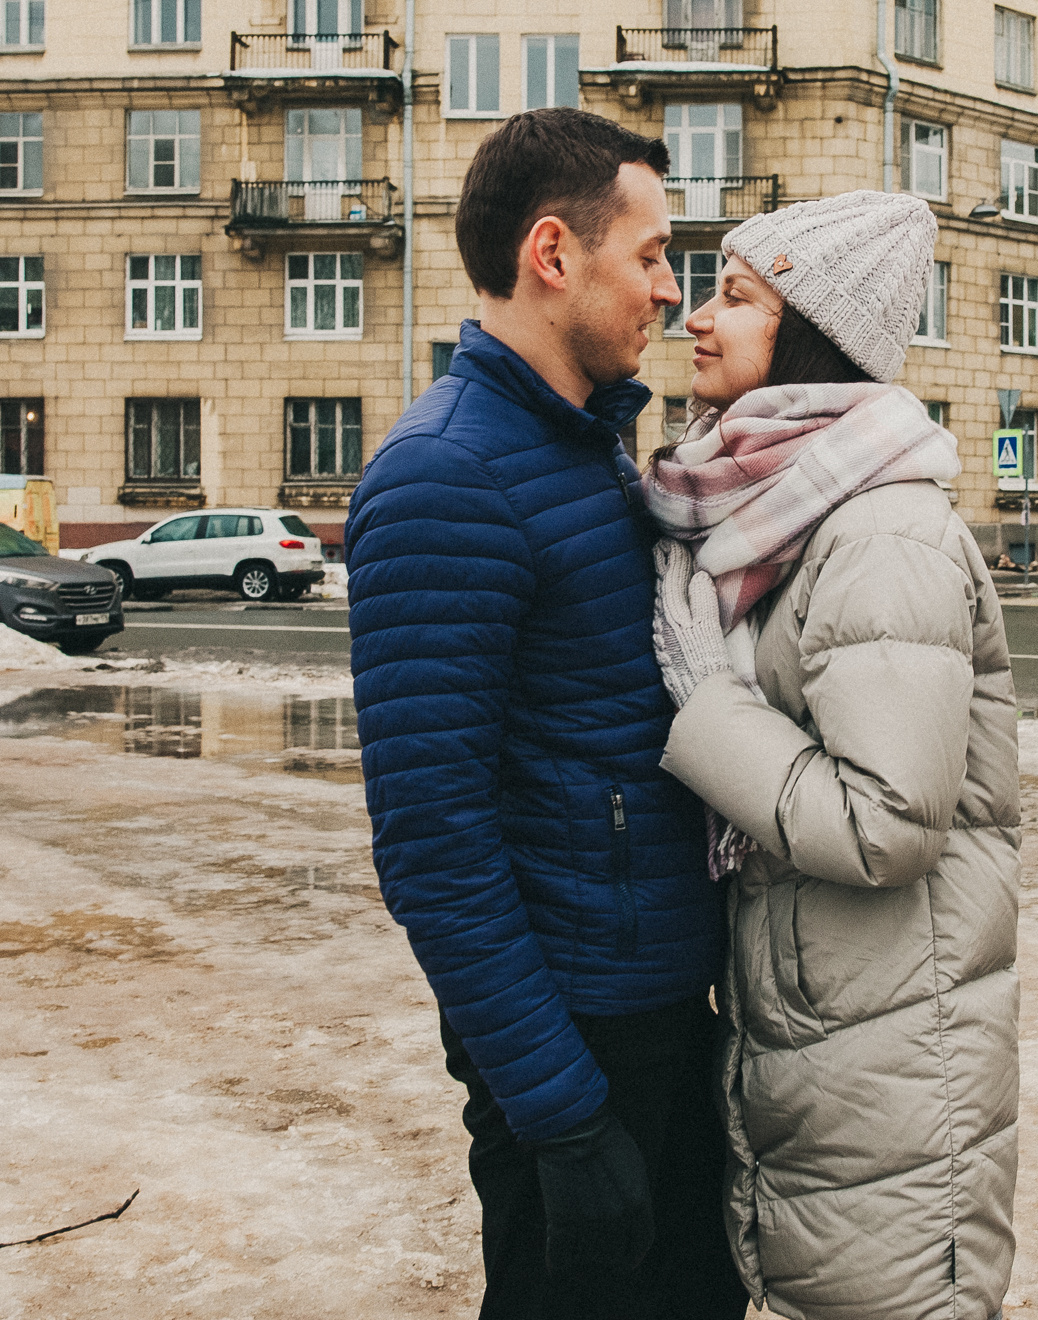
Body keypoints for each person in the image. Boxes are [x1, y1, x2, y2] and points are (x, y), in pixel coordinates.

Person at [344, 108, 749, 1320]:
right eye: (653, 255)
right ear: (554, 255)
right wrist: (562, 1116)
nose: (670, 293)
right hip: (573, 1044)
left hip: (657, 1009)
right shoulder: (444, 475)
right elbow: (432, 844)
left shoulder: (585, 447)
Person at [643, 191, 1021, 1319]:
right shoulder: (781, 512)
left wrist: (703, 711)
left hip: (898, 1068)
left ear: (811, 335)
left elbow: (888, 823)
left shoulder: (882, 535)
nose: (697, 318)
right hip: (837, 1040)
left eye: (737, 297)